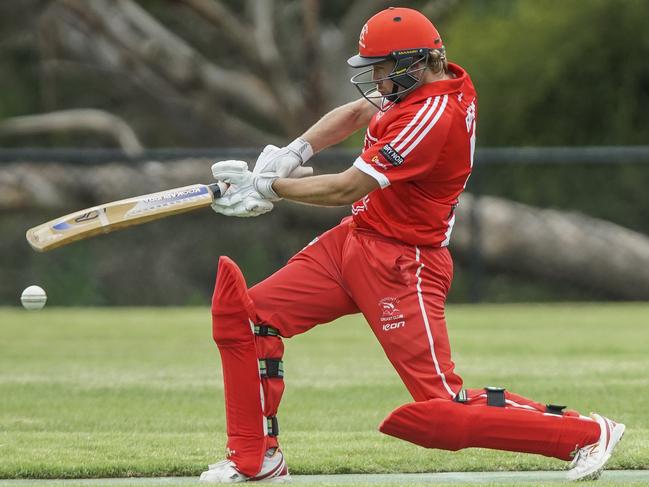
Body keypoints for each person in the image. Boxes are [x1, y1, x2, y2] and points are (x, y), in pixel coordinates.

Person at [200, 7, 624, 484]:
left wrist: (270, 189)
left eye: (383, 67)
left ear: (417, 63)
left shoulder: (433, 116)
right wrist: (291, 154)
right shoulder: (420, 84)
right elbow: (359, 111)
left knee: (444, 408)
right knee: (247, 317)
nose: (376, 78)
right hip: (354, 242)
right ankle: (255, 459)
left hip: (403, 264)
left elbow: (347, 188)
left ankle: (586, 432)